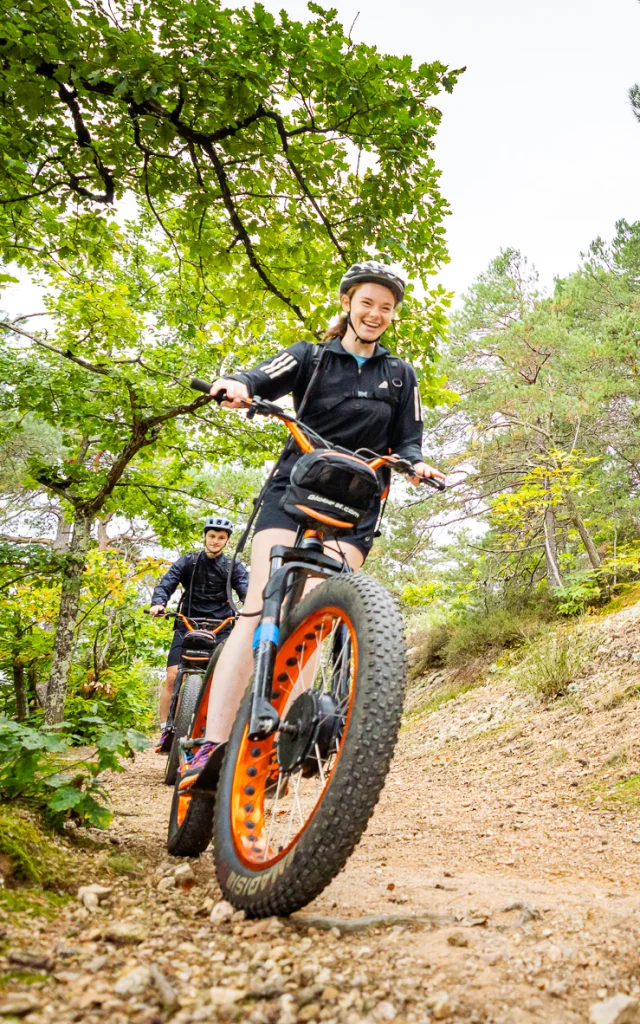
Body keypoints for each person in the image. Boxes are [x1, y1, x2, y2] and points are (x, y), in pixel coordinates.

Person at [178, 261, 446, 788]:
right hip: (294, 490)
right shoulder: (312, 356)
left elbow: (409, 438)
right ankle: (207, 745)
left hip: (355, 504)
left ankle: (272, 746)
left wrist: (415, 463)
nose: (375, 314)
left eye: (386, 308)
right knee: (260, 606)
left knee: (311, 622)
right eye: (366, 302)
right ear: (347, 302)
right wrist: (236, 385)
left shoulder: (400, 375)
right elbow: (260, 377)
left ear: (393, 316)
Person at [149, 516, 249, 751]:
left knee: (221, 680)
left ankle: (214, 733)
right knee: (173, 677)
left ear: (226, 541)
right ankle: (165, 731)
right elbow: (167, 583)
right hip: (188, 623)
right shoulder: (189, 561)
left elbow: (245, 588)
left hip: (222, 627)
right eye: (212, 536)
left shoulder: (232, 566)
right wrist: (158, 602)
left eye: (221, 537)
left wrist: (250, 608)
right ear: (205, 536)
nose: (215, 541)